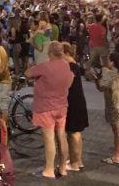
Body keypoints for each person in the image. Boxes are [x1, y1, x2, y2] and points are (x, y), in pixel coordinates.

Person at [26, 41, 73, 178]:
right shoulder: (66, 66)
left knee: (49, 138)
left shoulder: (45, 66)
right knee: (61, 135)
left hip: (46, 107)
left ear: (50, 53)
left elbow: (28, 73)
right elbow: (69, 82)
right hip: (62, 106)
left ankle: (49, 169)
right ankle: (63, 167)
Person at [62, 42, 88, 170]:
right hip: (76, 102)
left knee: (74, 133)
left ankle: (75, 163)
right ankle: (77, 160)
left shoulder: (71, 66)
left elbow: (68, 83)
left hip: (74, 103)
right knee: (75, 133)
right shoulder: (72, 65)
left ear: (66, 53)